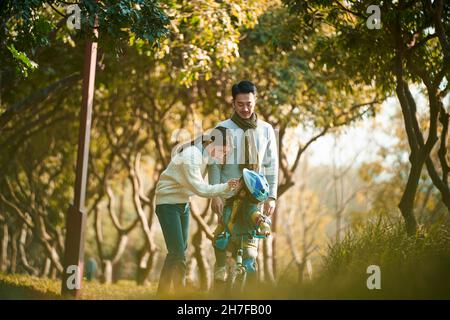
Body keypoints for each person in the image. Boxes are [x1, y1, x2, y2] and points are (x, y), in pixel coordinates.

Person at [154, 126, 240, 296]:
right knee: (178, 253)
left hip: (182, 204)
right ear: (210, 142)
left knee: (178, 252)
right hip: (167, 204)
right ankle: (179, 294)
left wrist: (230, 189)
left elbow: (209, 182)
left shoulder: (206, 156)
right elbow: (200, 189)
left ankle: (163, 295)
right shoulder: (191, 156)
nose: (223, 156)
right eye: (222, 151)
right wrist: (226, 186)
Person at [209, 80, 279, 283]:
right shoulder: (222, 129)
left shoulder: (266, 130)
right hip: (228, 198)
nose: (245, 108)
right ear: (233, 103)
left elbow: (271, 166)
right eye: (240, 104)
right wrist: (215, 195)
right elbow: (214, 165)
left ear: (255, 101)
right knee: (223, 246)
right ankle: (220, 290)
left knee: (249, 256)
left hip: (254, 200)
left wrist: (272, 197)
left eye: (249, 103)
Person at [213, 169, 272, 287]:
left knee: (249, 260)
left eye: (239, 182)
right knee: (219, 244)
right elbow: (224, 220)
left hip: (247, 241)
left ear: (243, 193)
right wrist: (218, 231)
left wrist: (265, 227)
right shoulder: (230, 204)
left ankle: (251, 288)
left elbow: (258, 217)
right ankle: (221, 268)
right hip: (231, 237)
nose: (236, 183)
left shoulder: (251, 209)